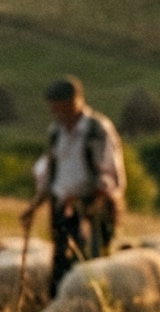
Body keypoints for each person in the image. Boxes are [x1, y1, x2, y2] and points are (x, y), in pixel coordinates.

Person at [26, 75, 124, 292]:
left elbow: (109, 174)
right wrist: (35, 205)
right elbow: (51, 171)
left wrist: (83, 196)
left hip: (93, 207)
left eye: (62, 107)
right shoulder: (56, 131)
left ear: (76, 101)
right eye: (54, 108)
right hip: (62, 207)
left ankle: (96, 310)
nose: (58, 113)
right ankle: (62, 309)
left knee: (93, 263)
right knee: (62, 262)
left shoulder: (96, 130)